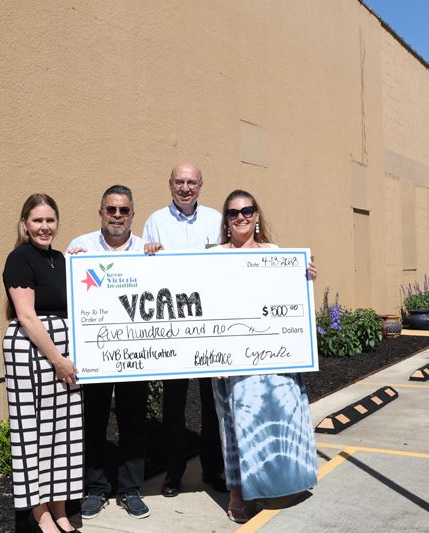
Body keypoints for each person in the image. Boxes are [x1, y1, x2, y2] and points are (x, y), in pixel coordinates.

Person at [211, 189, 319, 524]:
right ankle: (238, 492)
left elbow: (289, 300)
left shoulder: (275, 253)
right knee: (233, 426)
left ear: (257, 216)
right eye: (232, 213)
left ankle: (281, 481)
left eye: (246, 210)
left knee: (276, 419)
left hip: (272, 356)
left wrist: (306, 276)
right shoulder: (213, 256)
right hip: (231, 357)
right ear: (226, 221)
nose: (240, 217)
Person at [66, 185, 152, 520]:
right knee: (94, 421)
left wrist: (161, 261)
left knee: (133, 423)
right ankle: (96, 489)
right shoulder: (81, 247)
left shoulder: (148, 249)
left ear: (133, 213)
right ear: (101, 211)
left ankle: (130, 490)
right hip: (96, 356)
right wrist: (70, 264)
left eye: (124, 210)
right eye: (111, 210)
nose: (117, 216)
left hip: (135, 354)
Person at [142, 162, 227, 497]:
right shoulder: (155, 222)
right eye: (179, 182)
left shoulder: (216, 221)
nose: (185, 188)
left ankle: (212, 470)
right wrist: (145, 252)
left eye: (191, 182)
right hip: (173, 328)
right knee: (173, 407)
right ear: (170, 184)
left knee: (211, 403)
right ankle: (174, 474)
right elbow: (141, 270)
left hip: (208, 326)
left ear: (201, 186)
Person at [2, 194, 82, 533]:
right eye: (37, 220)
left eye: (50, 220)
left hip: (61, 355)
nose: (44, 226)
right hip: (34, 353)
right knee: (32, 434)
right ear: (25, 224)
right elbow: (27, 316)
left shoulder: (61, 260)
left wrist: (78, 262)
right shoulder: (19, 258)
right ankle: (40, 513)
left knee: (63, 432)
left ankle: (60, 509)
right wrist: (59, 361)